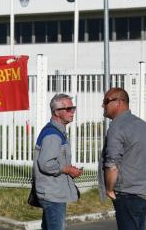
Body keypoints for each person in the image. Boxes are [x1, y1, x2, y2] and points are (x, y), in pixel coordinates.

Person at [99, 88, 146, 230]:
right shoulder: (142, 125)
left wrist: (109, 189)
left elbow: (112, 163)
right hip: (144, 193)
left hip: (127, 194)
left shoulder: (117, 127)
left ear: (119, 102)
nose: (103, 105)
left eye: (106, 101)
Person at [33, 93, 83, 230]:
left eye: (73, 108)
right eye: (68, 109)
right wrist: (67, 169)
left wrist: (68, 168)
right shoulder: (53, 135)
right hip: (52, 193)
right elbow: (46, 164)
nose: (72, 112)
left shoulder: (57, 132)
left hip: (53, 192)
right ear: (56, 112)